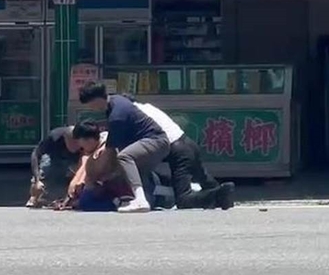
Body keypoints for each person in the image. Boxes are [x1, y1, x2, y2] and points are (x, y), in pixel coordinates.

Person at [78, 82, 170, 213]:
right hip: (155, 143)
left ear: (97, 100)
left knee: (125, 157)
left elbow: (110, 151)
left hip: (155, 141)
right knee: (135, 171)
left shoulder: (117, 114)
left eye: (90, 104)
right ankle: (148, 200)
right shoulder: (115, 102)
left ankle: (140, 200)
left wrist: (97, 174)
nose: (91, 108)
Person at [130, 99, 235, 210]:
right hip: (188, 143)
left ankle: (218, 196)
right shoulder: (147, 107)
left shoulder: (134, 115)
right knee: (204, 179)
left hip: (178, 150)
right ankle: (222, 192)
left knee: (183, 199)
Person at [58, 121, 133, 212]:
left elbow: (97, 175)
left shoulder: (105, 150)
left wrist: (86, 187)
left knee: (86, 202)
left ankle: (118, 202)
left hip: (120, 184)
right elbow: (84, 168)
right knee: (84, 197)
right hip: (104, 183)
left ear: (89, 140)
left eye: (81, 143)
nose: (80, 147)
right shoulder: (96, 146)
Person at [27, 125, 82, 207]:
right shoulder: (54, 137)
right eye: (71, 142)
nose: (74, 146)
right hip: (54, 157)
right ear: (64, 138)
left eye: (76, 143)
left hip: (76, 159)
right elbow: (36, 154)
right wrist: (37, 179)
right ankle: (34, 196)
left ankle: (73, 197)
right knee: (46, 168)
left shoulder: (83, 140)